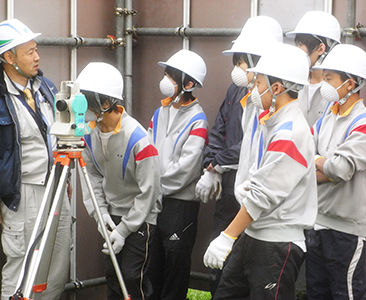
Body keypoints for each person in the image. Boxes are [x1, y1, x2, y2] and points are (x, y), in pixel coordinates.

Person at [203, 43, 318, 300]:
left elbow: (262, 196)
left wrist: (226, 236)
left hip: (276, 244)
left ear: (277, 88)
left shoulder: (290, 131)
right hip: (255, 234)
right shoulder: (272, 121)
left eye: (259, 82)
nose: (254, 89)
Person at [0, 19, 71, 300]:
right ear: (9, 58)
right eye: (29, 52)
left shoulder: (47, 89)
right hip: (22, 193)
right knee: (21, 266)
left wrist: (66, 178)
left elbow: (60, 137)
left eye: (36, 49)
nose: (37, 57)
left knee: (57, 265)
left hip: (56, 187)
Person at [195, 15, 282, 295]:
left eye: (242, 61)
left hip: (259, 202)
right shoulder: (237, 90)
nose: (238, 68)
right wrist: (212, 165)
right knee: (220, 271)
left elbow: (251, 145)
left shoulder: (274, 102)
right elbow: (219, 128)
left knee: (249, 275)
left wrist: (218, 166)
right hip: (231, 186)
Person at [77, 62, 161, 300]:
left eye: (87, 98)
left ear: (106, 103)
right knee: (114, 277)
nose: (82, 104)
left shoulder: (138, 139)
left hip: (140, 218)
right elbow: (91, 175)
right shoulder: (89, 134)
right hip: (111, 216)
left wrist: (124, 230)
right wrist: (100, 214)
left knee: (133, 278)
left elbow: (149, 192)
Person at [147, 49, 208, 300]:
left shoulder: (198, 120)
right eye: (166, 74)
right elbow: (147, 152)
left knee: (175, 269)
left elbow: (186, 170)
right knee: (152, 266)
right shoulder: (159, 112)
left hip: (180, 206)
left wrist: (153, 187)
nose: (166, 81)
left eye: (172, 76)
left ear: (189, 84)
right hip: (154, 202)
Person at [307, 44, 366, 300]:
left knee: (346, 295)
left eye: (329, 78)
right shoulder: (325, 118)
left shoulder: (362, 123)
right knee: (316, 293)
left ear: (350, 84)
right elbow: (301, 157)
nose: (324, 83)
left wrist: (317, 159)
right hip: (318, 223)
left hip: (348, 232)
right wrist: (324, 164)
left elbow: (340, 168)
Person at [286, 10, 341, 127]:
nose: (297, 50)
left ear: (321, 49)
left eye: (301, 45)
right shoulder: (293, 82)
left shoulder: (338, 88)